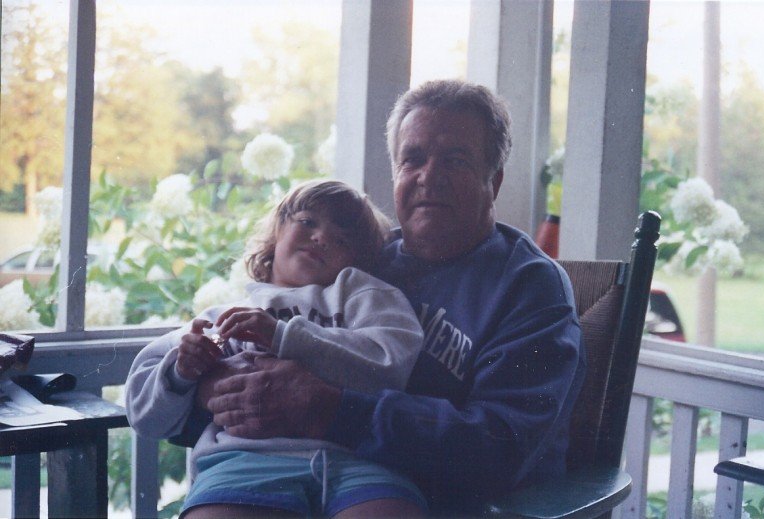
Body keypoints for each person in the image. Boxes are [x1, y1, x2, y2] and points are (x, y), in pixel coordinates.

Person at [199, 79, 586, 514]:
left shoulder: (529, 288)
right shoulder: (357, 264)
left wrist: (331, 410)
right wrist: (212, 386)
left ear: (492, 182)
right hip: (311, 483)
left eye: (455, 161)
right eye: (413, 160)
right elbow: (264, 372)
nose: (429, 177)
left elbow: (499, 445)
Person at [125, 180, 428, 518]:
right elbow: (143, 414)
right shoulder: (228, 315)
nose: (321, 237)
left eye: (341, 239)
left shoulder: (365, 295)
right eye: (307, 221)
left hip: (360, 461)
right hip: (243, 464)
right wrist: (180, 373)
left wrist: (283, 337)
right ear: (276, 234)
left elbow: (390, 361)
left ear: (360, 260)